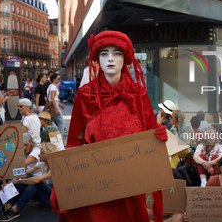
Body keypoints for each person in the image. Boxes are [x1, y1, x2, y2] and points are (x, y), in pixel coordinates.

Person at [50, 30, 167, 221]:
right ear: (97, 59)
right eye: (104, 53)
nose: (110, 59)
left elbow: (149, 141)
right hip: (98, 186)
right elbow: (74, 144)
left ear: (125, 59)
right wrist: (61, 183)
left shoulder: (139, 95)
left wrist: (158, 136)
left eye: (117, 53)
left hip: (131, 184)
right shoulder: (85, 95)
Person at [0, 142, 58, 222]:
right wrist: (8, 182)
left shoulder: (55, 167)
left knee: (36, 182)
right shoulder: (42, 164)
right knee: (26, 178)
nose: (38, 155)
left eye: (41, 153)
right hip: (43, 198)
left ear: (47, 155)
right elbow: (24, 172)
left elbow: (36, 180)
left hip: (53, 200)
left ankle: (15, 208)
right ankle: (9, 206)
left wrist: (18, 182)